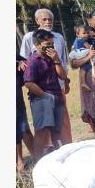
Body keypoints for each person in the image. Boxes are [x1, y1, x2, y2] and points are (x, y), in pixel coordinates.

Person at [19, 8, 73, 144]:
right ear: (37, 21)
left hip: (57, 85)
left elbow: (62, 61)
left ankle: (66, 146)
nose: (48, 22)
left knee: (62, 120)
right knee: (44, 125)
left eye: (50, 19)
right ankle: (45, 152)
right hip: (39, 89)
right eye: (44, 19)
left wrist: (66, 81)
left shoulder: (58, 37)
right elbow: (24, 59)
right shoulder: (29, 37)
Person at [23, 29, 70, 160]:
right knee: (41, 132)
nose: (50, 47)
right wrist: (45, 96)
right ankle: (38, 162)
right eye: (47, 44)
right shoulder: (33, 61)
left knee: (57, 131)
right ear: (37, 45)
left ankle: (60, 159)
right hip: (41, 100)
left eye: (51, 44)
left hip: (57, 97)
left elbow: (63, 76)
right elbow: (28, 83)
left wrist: (56, 60)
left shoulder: (52, 58)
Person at [16, 54, 34, 172]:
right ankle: (19, 162)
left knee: (24, 129)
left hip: (18, 102)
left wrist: (20, 62)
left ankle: (37, 156)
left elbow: (24, 61)